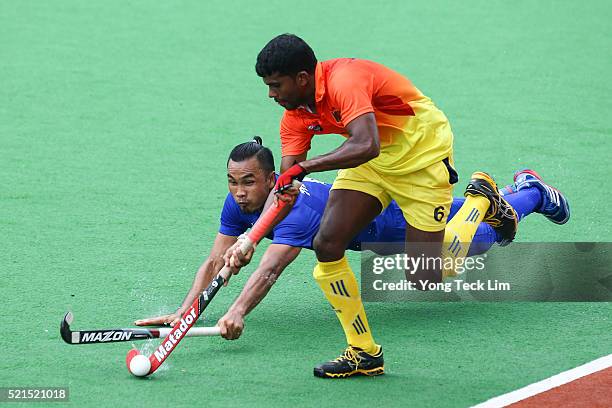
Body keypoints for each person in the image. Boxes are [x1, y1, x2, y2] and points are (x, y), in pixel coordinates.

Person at [135, 138, 570, 378]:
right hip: (384, 207)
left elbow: (268, 270)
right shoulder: (241, 204)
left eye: (248, 182)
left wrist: (236, 312)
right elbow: (215, 262)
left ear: (272, 179)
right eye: (232, 182)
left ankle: (517, 195)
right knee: (465, 219)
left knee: (474, 243)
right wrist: (185, 310)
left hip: (393, 225)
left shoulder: (294, 209)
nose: (239, 192)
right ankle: (526, 189)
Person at [253, 33, 526, 377]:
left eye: (276, 85)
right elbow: (286, 185)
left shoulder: (344, 81)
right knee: (328, 242)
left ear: (302, 79)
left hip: (422, 158)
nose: (271, 94)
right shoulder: (294, 115)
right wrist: (249, 241)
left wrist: (305, 167)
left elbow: (365, 143)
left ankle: (479, 202)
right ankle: (364, 352)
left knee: (424, 277)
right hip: (373, 164)